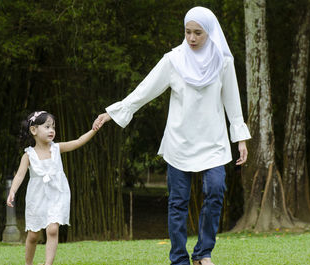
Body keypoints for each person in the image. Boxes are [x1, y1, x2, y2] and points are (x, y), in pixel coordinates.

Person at [93, 6, 251, 265]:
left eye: (198, 33)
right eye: (187, 32)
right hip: (180, 141)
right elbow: (145, 90)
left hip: (213, 141)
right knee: (178, 202)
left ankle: (203, 253)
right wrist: (113, 112)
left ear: (209, 32)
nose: (191, 38)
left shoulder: (223, 61)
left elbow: (232, 101)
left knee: (216, 189)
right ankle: (179, 258)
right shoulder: (173, 59)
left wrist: (240, 139)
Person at [6, 111, 98, 265]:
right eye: (47, 126)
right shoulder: (28, 155)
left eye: (53, 127)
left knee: (52, 230)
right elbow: (20, 176)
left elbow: (78, 141)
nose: (52, 130)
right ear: (34, 130)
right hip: (36, 197)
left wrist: (94, 129)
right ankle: (28, 263)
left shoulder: (57, 148)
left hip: (57, 194)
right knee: (33, 236)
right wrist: (12, 191)